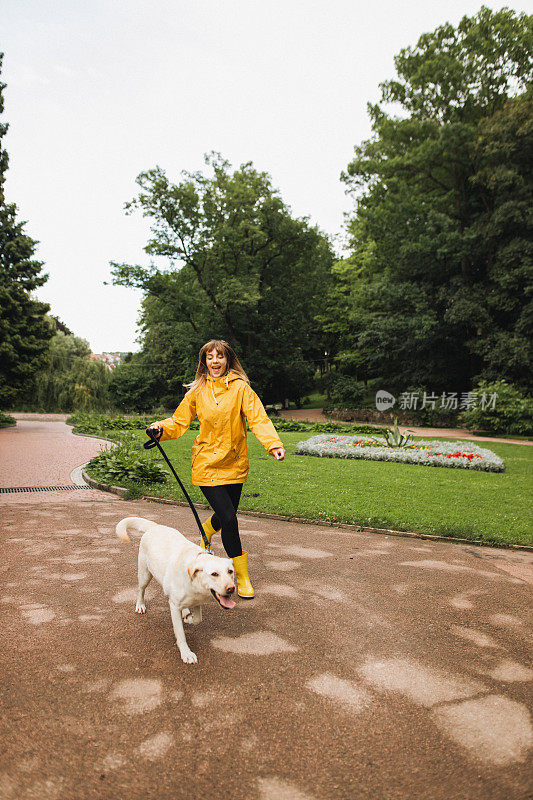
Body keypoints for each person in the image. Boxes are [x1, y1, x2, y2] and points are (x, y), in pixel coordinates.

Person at [147, 339, 285, 598]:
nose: (215, 361)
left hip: (234, 463)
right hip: (207, 464)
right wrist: (160, 429)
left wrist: (273, 444)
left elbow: (258, 418)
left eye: (219, 357)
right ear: (204, 362)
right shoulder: (198, 391)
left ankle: (208, 529)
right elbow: (179, 421)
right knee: (230, 519)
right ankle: (240, 574)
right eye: (210, 357)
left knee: (228, 514)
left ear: (228, 360)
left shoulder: (241, 389)